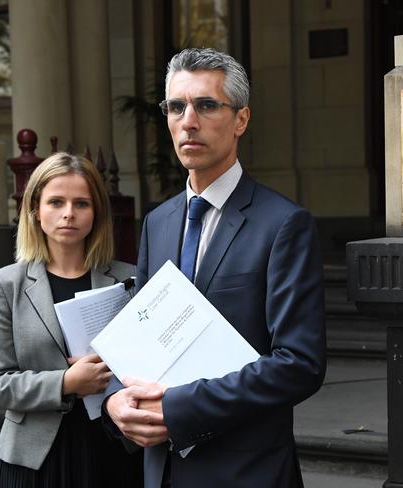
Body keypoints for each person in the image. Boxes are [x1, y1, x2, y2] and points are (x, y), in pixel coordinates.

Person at [104, 47, 326, 487]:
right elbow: (140, 339)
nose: (189, 120)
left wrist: (179, 407)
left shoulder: (283, 224)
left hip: (245, 470)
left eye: (206, 105)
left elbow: (299, 364)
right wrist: (114, 400)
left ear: (240, 119)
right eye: (176, 106)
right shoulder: (158, 222)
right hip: (162, 470)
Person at [0, 153, 143, 488]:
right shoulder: (4, 285)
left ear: (96, 212)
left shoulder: (130, 280)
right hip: (33, 458)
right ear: (35, 210)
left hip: (112, 448)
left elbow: (150, 365)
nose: (69, 213)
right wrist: (66, 383)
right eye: (56, 202)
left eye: (81, 203)